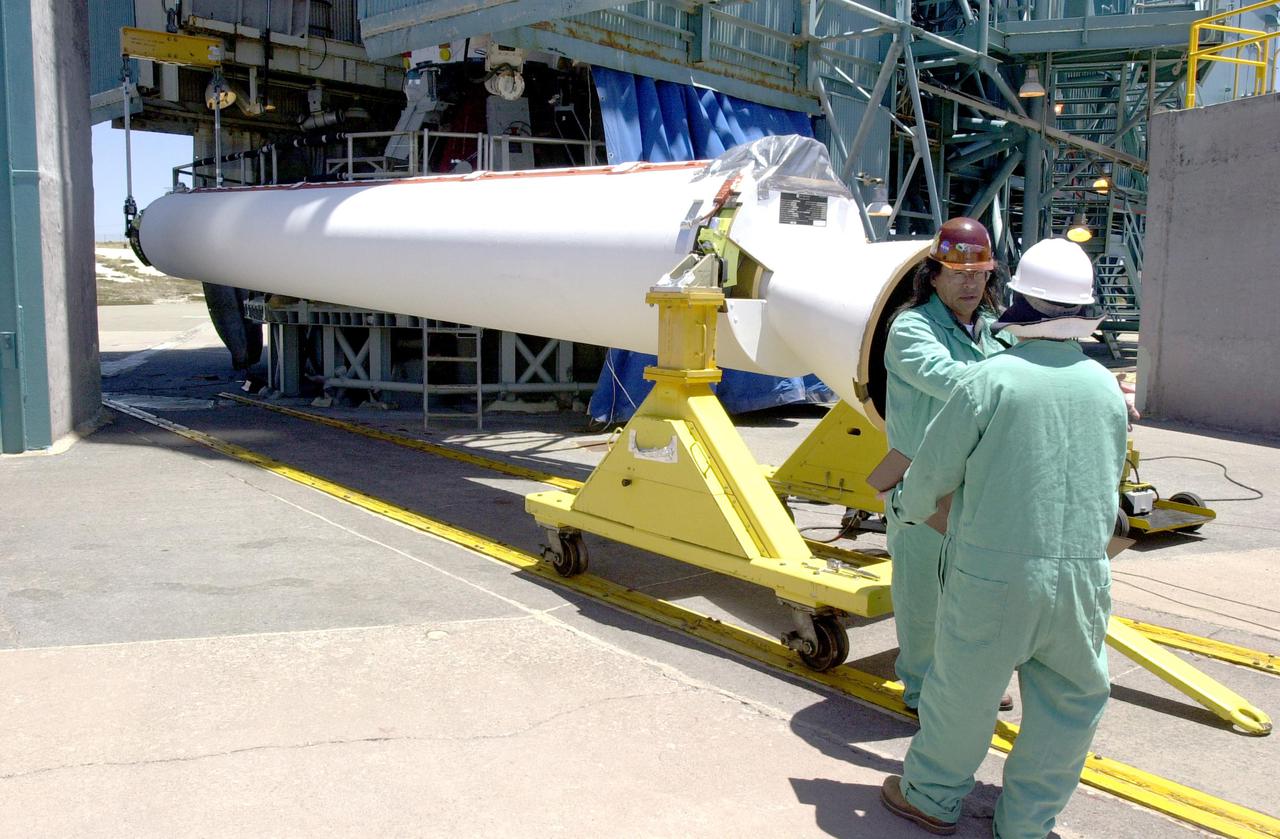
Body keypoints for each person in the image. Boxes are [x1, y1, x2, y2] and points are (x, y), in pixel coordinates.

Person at [878, 237, 1129, 838]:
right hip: (1081, 577)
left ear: (1017, 298)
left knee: (963, 692)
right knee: (1070, 703)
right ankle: (1026, 824)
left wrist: (907, 506)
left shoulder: (990, 380)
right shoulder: (1107, 390)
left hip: (992, 573)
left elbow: (934, 470)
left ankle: (932, 797)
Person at [882, 216, 1012, 713]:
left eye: (979, 273)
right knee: (923, 596)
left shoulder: (996, 333)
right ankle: (921, 690)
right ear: (933, 275)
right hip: (921, 484)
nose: (970, 282)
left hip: (975, 484)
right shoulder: (911, 329)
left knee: (973, 592)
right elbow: (951, 379)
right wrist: (1023, 385)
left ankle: (969, 682)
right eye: (957, 272)